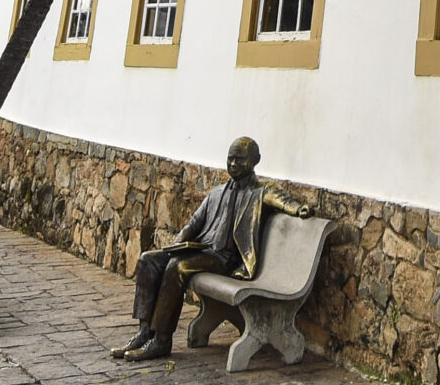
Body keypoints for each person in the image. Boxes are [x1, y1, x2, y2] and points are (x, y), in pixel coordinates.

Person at [113, 136, 313, 360]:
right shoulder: (216, 193)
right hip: (200, 250)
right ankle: (143, 332)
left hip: (225, 259)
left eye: (240, 159)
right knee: (147, 260)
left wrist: (298, 209)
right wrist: (176, 246)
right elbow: (193, 224)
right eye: (230, 159)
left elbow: (281, 199)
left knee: (176, 268)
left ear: (255, 161)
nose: (234, 164)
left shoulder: (260, 191)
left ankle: (161, 340)